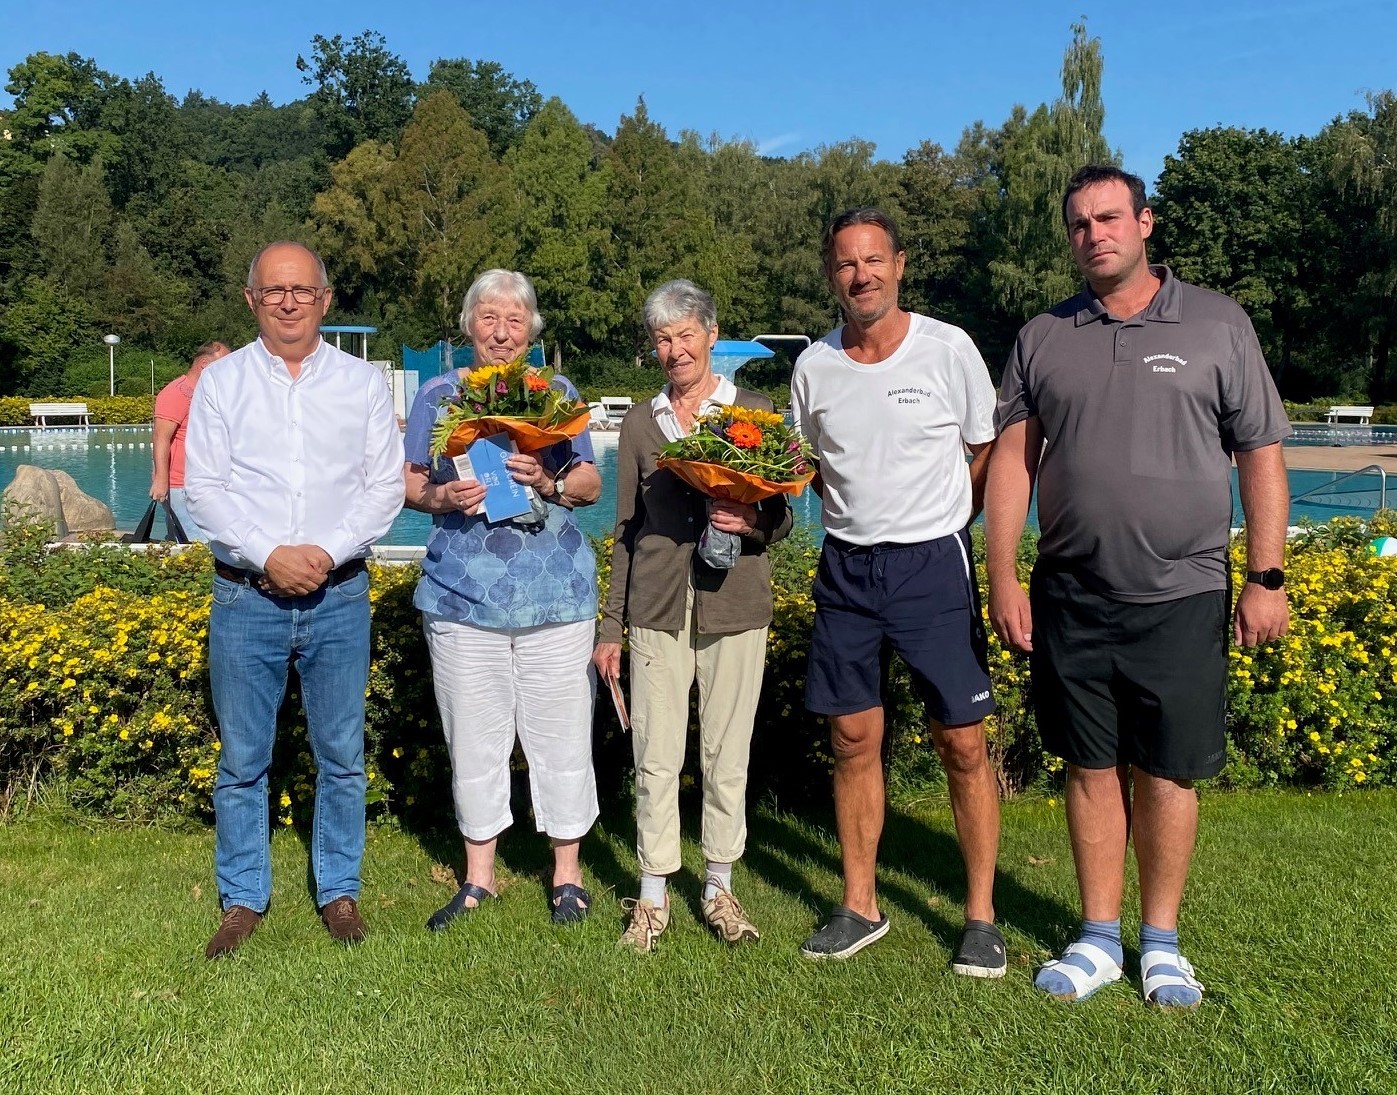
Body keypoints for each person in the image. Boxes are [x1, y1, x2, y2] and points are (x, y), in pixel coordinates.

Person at [985, 165, 1291, 1007]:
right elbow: (1014, 462)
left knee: (1165, 773)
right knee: (1087, 766)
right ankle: (1096, 937)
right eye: (1079, 224)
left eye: (1110, 217)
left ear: (1145, 222)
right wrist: (1002, 573)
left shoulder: (1216, 324)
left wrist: (1265, 576)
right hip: (1071, 592)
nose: (1095, 234)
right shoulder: (1042, 335)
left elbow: (1260, 455)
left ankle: (1160, 943)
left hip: (1182, 589)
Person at [791, 209, 1005, 973]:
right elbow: (807, 461)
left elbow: (985, 452)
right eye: (846, 263)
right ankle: (860, 904)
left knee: (962, 742)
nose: (862, 275)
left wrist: (950, 520)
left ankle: (980, 915)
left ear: (899, 264)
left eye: (874, 259)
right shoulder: (813, 365)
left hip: (931, 565)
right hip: (846, 568)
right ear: (831, 276)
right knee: (851, 739)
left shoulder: (947, 349)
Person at [185, 241, 404, 958]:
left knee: (341, 754)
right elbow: (203, 490)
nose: (287, 301)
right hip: (246, 597)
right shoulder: (220, 384)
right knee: (244, 759)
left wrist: (323, 552)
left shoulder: (363, 384)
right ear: (250, 299)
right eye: (273, 290)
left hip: (338, 596)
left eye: (301, 290)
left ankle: (338, 888)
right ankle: (243, 895)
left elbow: (384, 487)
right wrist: (268, 554)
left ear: (325, 298)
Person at [595, 279, 791, 952]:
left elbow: (786, 511)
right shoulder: (642, 423)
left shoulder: (757, 412)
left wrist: (753, 517)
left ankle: (718, 886)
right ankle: (651, 895)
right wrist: (608, 625)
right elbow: (624, 528)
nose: (674, 350)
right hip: (654, 606)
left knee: (725, 754)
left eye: (684, 335)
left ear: (711, 335)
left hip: (736, 606)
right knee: (653, 755)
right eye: (661, 338)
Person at [404, 270, 603, 931]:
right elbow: (409, 483)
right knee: (475, 736)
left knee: (563, 734)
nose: (500, 330)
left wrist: (548, 479)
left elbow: (591, 481)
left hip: (556, 597)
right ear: (468, 326)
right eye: (488, 317)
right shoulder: (439, 394)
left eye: (514, 320)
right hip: (463, 596)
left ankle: (567, 874)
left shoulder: (558, 394)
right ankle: (478, 876)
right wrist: (440, 497)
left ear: (531, 330)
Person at [150, 340, 230, 541]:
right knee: (197, 544)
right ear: (204, 363)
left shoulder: (209, 392)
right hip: (180, 485)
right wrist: (161, 480)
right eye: (224, 363)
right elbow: (161, 437)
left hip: (204, 482)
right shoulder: (177, 392)